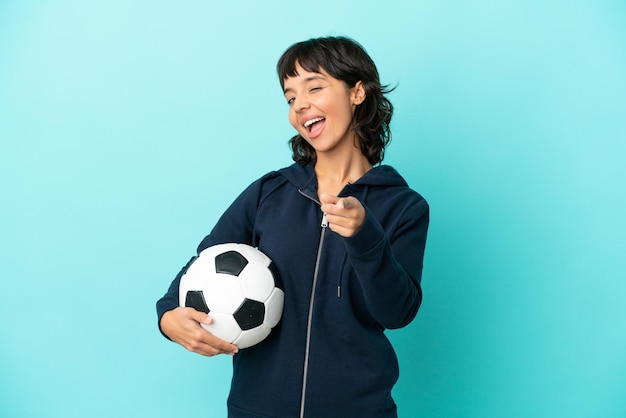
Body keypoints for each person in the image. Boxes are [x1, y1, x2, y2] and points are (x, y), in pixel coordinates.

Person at [156, 36, 429, 418]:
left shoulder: (403, 207)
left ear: (357, 92)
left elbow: (397, 312)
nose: (300, 105)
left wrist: (365, 237)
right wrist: (168, 315)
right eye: (290, 97)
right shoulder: (270, 193)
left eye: (314, 87)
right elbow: (205, 262)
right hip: (257, 410)